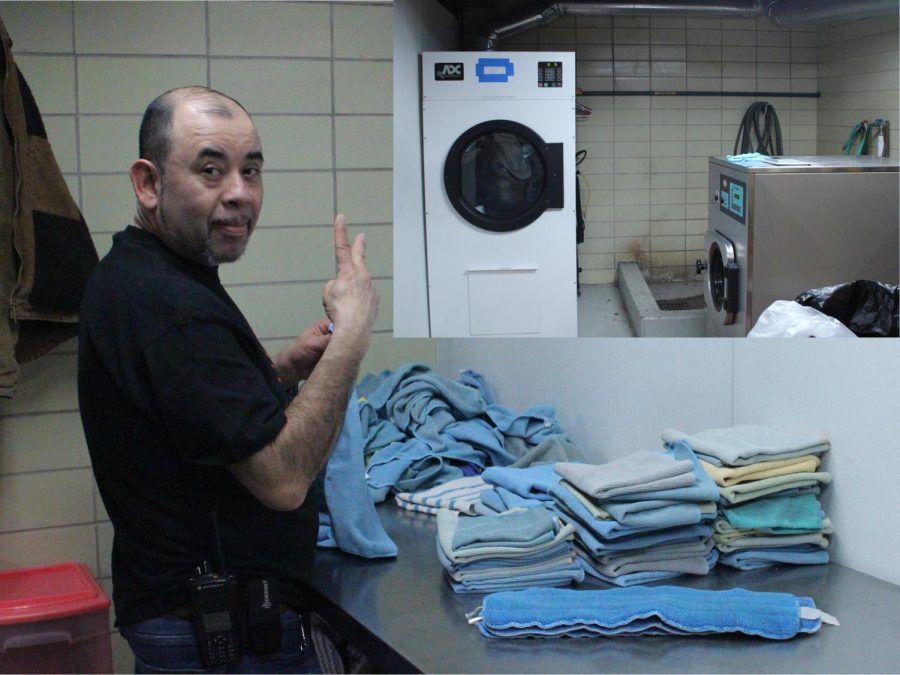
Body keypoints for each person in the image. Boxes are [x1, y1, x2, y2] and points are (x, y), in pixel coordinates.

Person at [77, 85, 378, 673]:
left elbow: (188, 413)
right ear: (149, 183)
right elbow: (283, 480)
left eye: (252, 170)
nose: (239, 194)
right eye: (211, 170)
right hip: (220, 629)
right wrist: (351, 338)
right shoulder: (170, 304)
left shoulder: (143, 273)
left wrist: (282, 370)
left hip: (195, 615)